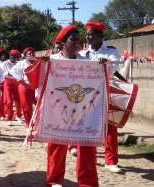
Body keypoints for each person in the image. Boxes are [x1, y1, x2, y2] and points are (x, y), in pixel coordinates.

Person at [44, 25, 98, 187]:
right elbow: (36, 81)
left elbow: (100, 79)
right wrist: (40, 65)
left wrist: (102, 65)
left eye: (79, 39)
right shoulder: (52, 61)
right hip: (59, 110)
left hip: (82, 111)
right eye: (73, 39)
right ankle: (54, 181)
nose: (78, 42)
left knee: (87, 146)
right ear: (62, 44)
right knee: (57, 144)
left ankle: (87, 183)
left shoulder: (87, 62)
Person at [80, 21, 122, 173]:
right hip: (85, 95)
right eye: (87, 34)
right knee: (82, 123)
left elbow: (116, 68)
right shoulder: (83, 53)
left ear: (99, 36)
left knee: (110, 126)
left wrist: (107, 63)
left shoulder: (111, 51)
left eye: (90, 34)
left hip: (104, 92)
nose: (87, 37)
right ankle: (80, 151)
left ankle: (111, 161)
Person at [10, 47, 35, 128]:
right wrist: (20, 79)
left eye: (32, 53)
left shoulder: (38, 62)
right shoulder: (22, 63)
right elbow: (13, 71)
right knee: (26, 106)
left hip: (36, 87)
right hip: (25, 86)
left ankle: (36, 123)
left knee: (37, 105)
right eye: (29, 54)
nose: (31, 54)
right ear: (25, 55)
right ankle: (29, 125)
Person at [0, 49, 22, 126]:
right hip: (7, 82)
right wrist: (12, 74)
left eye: (15, 56)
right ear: (9, 56)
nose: (13, 57)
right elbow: (4, 73)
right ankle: (9, 118)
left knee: (18, 100)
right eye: (12, 56)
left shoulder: (19, 63)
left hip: (16, 82)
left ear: (17, 57)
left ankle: (19, 115)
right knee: (8, 101)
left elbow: (20, 73)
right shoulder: (5, 63)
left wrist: (12, 73)